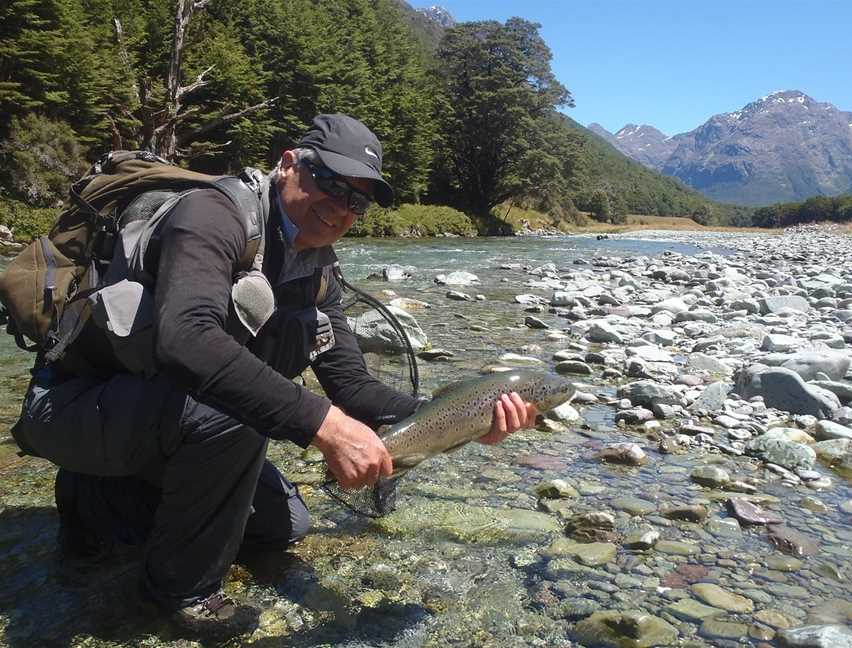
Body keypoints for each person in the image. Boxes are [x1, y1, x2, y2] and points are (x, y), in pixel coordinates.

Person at [9, 114, 537, 638]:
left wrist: (466, 421)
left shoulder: (318, 272)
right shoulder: (212, 216)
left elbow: (353, 388)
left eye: (357, 201)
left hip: (156, 418)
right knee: (230, 413)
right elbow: (186, 340)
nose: (341, 209)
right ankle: (178, 592)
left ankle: (113, 500)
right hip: (73, 405)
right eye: (331, 184)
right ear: (289, 164)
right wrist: (324, 426)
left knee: (283, 527)